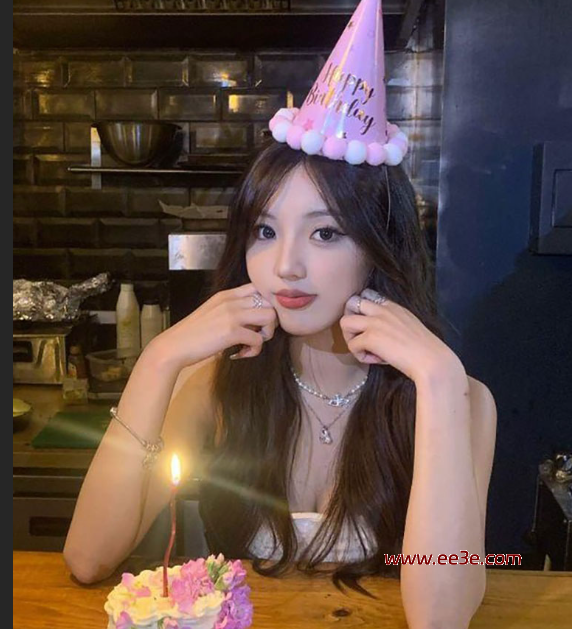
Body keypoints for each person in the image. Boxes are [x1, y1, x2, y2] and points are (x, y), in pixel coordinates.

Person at [65, 1, 497, 625]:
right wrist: (159, 360)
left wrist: (435, 379)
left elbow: (441, 616)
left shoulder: (460, 400)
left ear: (379, 247)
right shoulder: (217, 386)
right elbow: (87, 558)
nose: (284, 266)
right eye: (265, 231)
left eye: (325, 233)